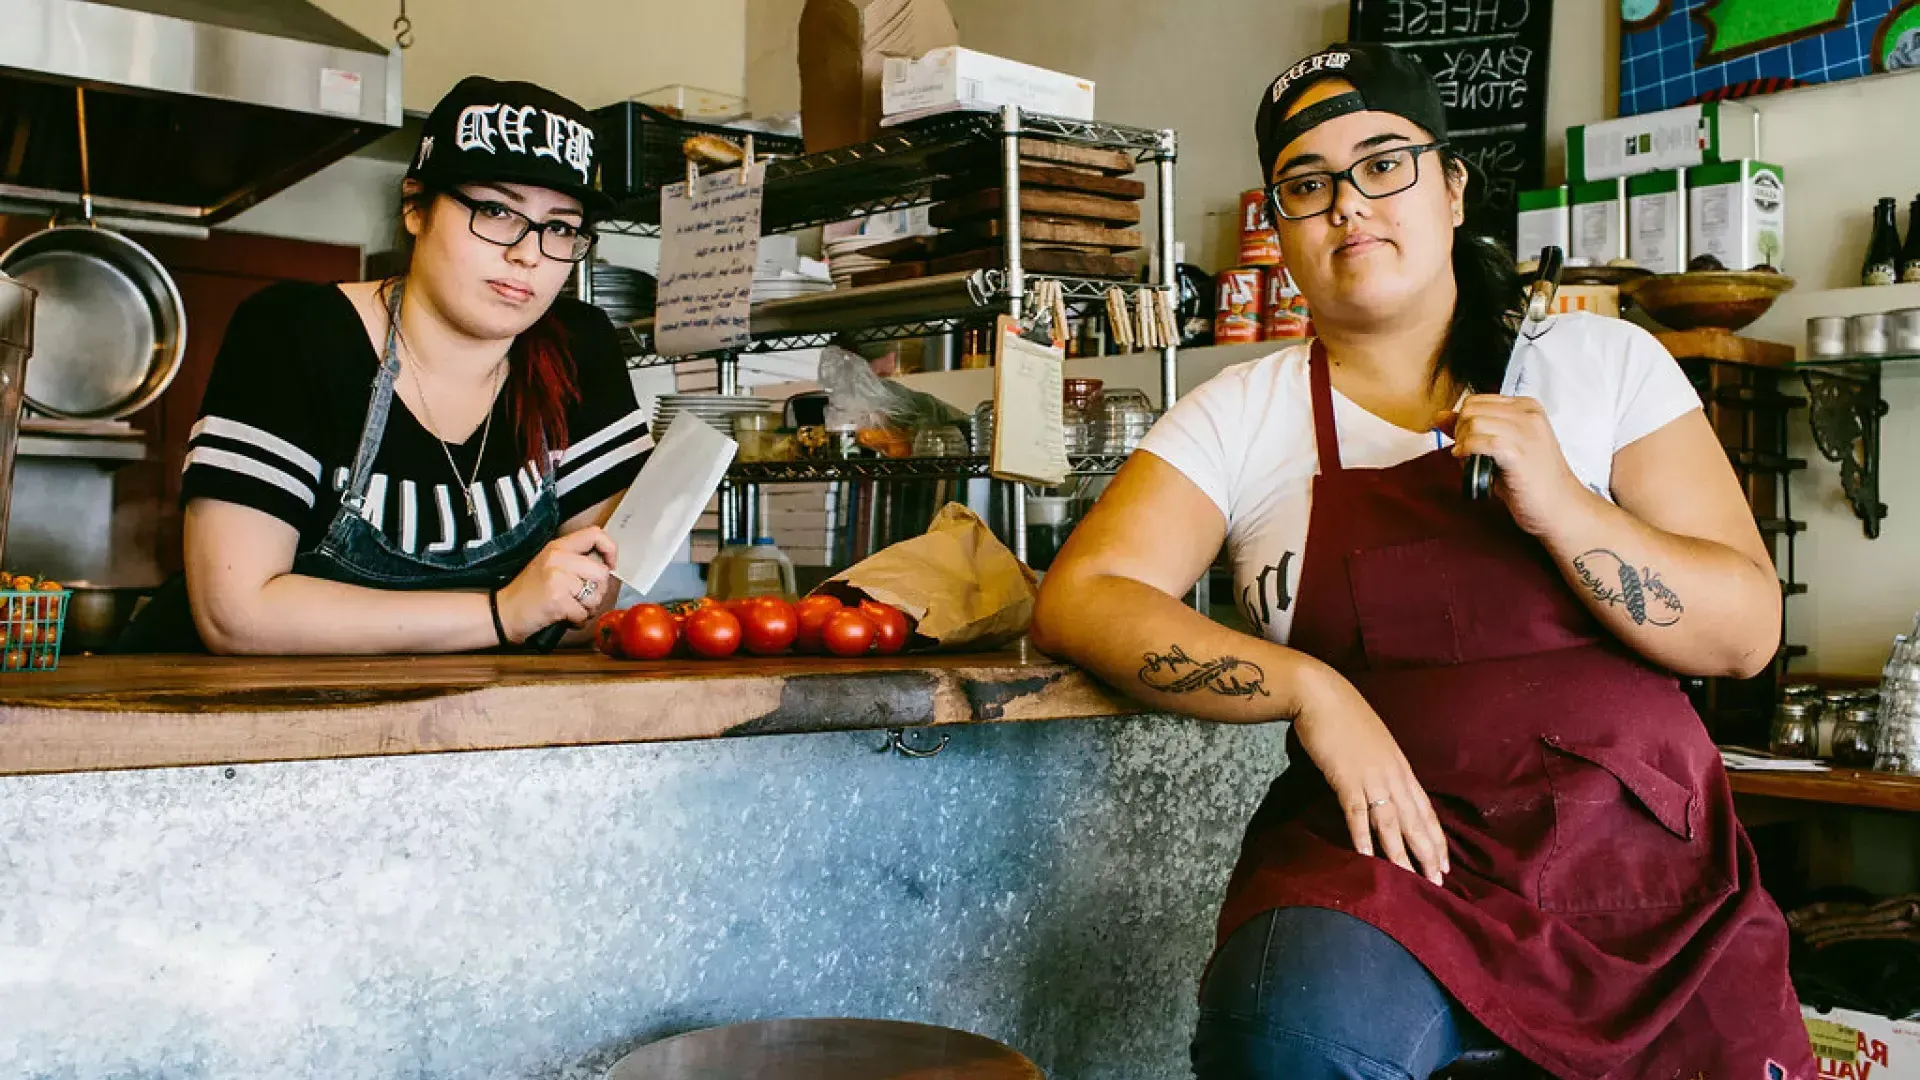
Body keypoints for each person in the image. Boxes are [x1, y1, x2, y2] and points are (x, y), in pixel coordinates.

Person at [1030, 43, 1816, 1080]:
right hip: (1388, 869)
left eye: (1383, 163)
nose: (1348, 204)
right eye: (1307, 184)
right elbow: (1084, 598)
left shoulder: (1602, 363)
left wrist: (1569, 510)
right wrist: (1312, 691)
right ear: (1283, 228)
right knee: (1290, 1032)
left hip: (1646, 882)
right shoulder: (1240, 414)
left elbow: (1747, 631)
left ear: (1451, 189)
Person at [122, 78, 650, 654]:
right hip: (238, 725)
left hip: (467, 729)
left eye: (562, 227)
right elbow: (236, 612)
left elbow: (584, 608)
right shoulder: (292, 334)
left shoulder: (579, 350)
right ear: (415, 207)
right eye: (497, 210)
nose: (527, 252)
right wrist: (501, 614)